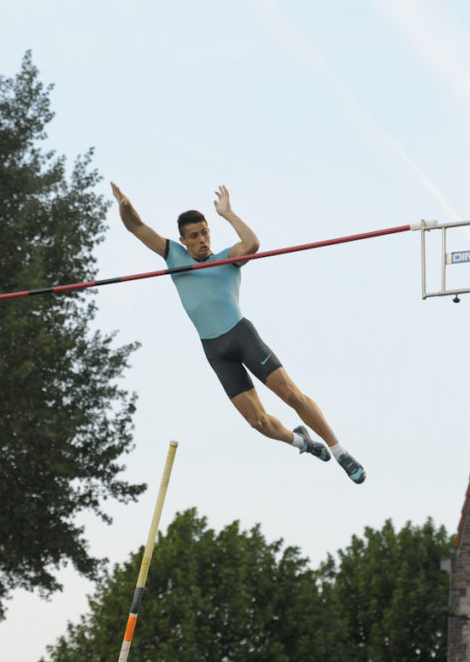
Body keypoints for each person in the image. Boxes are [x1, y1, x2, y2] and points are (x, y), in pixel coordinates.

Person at [111, 182, 366, 484]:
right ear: (184, 240)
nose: (202, 239)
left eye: (205, 232)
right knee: (257, 421)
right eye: (194, 236)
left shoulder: (227, 257)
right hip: (215, 351)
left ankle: (340, 452)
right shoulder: (174, 256)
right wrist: (125, 205)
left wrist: (228, 214)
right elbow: (136, 226)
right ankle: (302, 442)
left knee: (292, 396)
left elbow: (253, 244)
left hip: (242, 338)